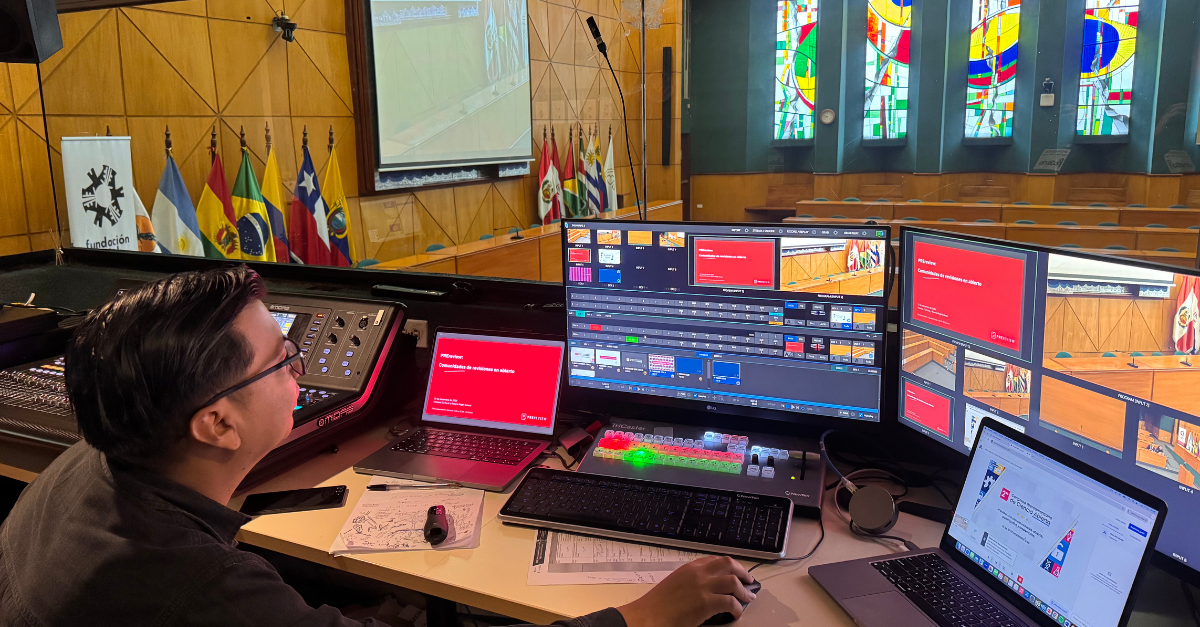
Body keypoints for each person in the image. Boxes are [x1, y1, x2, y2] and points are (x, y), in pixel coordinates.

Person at [0, 266, 757, 627]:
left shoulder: (88, 465)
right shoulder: (202, 588)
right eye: (283, 362)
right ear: (217, 424)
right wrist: (640, 617)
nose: (303, 371)